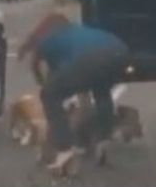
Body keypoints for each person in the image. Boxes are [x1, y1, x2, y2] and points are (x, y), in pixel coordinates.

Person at [17, 13, 129, 174]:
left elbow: (41, 70)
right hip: (119, 50)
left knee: (50, 96)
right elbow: (76, 75)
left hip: (90, 58)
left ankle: (65, 149)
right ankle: (103, 140)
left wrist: (44, 86)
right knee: (102, 91)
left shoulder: (47, 41)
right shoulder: (76, 31)